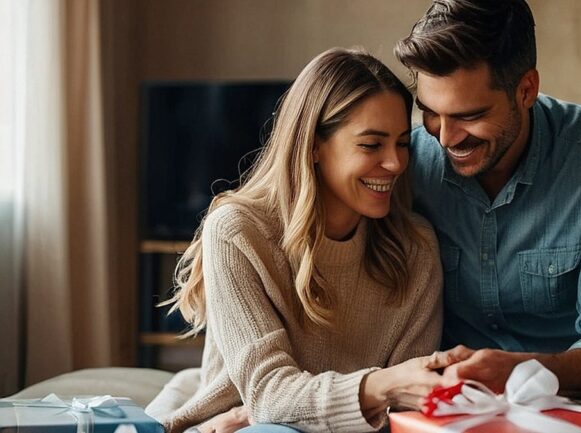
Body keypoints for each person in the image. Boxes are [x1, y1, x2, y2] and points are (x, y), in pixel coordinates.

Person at [393, 1, 581, 432]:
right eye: (430, 112)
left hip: (572, 385)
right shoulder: (408, 162)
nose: (445, 136)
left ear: (527, 89)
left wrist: (520, 369)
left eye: (470, 115)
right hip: (447, 390)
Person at [145, 48, 454, 433]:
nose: (394, 163)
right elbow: (269, 396)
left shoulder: (416, 248)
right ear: (313, 146)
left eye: (403, 143)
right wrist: (382, 386)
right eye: (371, 145)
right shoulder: (237, 232)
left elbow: (404, 414)